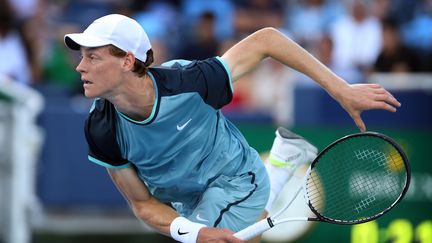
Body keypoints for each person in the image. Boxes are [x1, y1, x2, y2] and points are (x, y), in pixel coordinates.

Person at [64, 14, 401, 243]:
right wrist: (195, 232)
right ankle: (281, 166)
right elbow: (142, 205)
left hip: (234, 178)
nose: (80, 66)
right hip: (184, 201)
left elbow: (267, 40)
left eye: (93, 57)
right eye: (82, 56)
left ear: (127, 60)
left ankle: (272, 175)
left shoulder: (190, 83)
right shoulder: (100, 129)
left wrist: (341, 89)